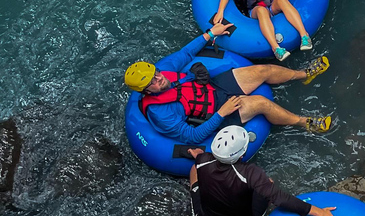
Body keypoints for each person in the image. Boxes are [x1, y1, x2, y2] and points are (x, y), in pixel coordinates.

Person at [124, 22, 332, 144]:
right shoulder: (160, 114)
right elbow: (192, 136)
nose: (159, 78)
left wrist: (211, 33)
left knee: (263, 70)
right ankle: (305, 123)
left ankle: (304, 75)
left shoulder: (166, 72)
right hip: (212, 113)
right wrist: (221, 113)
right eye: (152, 81)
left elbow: (185, 52)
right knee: (260, 102)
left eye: (156, 73)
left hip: (211, 88)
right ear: (145, 91)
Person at [189, 126, 338, 216]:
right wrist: (317, 211)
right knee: (269, 184)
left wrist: (199, 155)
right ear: (242, 155)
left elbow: (202, 159)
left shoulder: (203, 160)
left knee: (194, 170)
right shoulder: (250, 173)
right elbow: (279, 198)